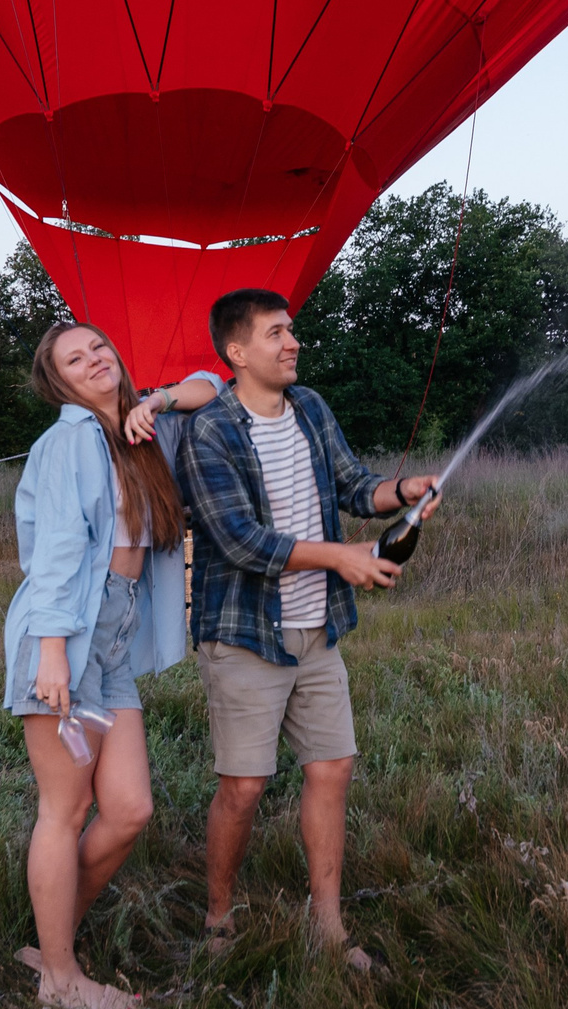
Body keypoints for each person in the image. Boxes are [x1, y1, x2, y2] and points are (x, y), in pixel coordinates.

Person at [179, 289, 438, 970]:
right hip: (244, 632)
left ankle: (328, 922)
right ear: (236, 352)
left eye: (291, 330)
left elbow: (355, 486)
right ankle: (217, 917)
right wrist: (341, 556)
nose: (292, 342)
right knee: (244, 784)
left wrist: (403, 490)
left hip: (316, 628)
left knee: (333, 767)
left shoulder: (312, 408)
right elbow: (240, 540)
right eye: (275, 333)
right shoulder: (212, 430)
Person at [2, 321, 222, 1009]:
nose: (94, 358)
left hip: (117, 635)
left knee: (128, 808)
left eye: (100, 346)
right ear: (58, 381)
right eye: (75, 357)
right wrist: (54, 651)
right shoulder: (70, 441)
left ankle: (51, 936)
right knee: (64, 810)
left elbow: (212, 387)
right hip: (66, 631)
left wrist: (153, 401)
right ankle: (60, 980)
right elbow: (59, 552)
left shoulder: (135, 433)